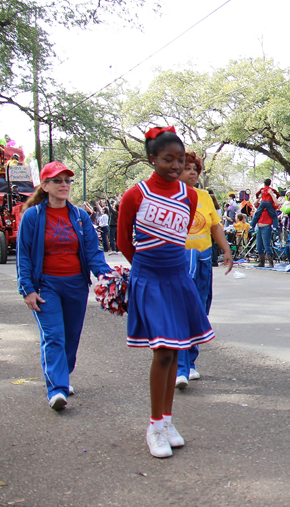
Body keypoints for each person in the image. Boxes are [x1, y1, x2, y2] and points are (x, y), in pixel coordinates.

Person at [117, 127, 215, 459]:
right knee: (161, 352)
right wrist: (144, 272)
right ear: (152, 159)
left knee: (175, 350)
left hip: (177, 279)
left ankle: (168, 421)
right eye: (167, 159)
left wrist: (169, 269)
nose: (175, 166)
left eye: (179, 160)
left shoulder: (189, 196)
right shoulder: (135, 195)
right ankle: (154, 425)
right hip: (149, 280)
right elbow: (122, 242)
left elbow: (180, 238)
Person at [16, 161, 112, 410]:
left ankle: (63, 375)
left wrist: (107, 277)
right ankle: (57, 388)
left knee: (71, 337)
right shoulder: (32, 217)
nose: (64, 185)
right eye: (57, 180)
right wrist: (27, 289)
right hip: (46, 285)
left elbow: (93, 252)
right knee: (54, 336)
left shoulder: (80, 217)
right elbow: (23, 255)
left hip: (76, 286)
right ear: (45, 185)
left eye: (67, 180)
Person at [175, 151, 233, 389]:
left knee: (199, 310)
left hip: (202, 261)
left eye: (194, 169)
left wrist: (227, 250)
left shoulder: (204, 197)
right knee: (179, 312)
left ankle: (190, 362)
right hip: (178, 263)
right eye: (186, 168)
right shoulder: (170, 196)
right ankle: (179, 367)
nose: (191, 172)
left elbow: (215, 226)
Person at [250, 179, 278, 267]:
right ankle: (261, 262)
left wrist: (271, 194)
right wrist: (260, 196)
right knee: (259, 246)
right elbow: (255, 203)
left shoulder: (271, 206)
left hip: (266, 227)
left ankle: (270, 262)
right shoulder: (260, 206)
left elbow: (277, 203)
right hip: (259, 227)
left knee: (266, 245)